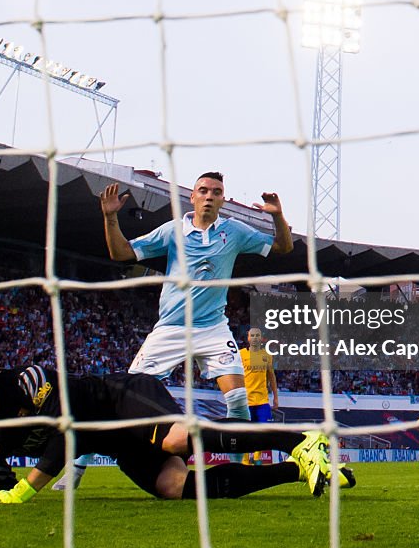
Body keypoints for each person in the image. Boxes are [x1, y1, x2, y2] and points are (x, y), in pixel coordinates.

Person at [0, 339, 354, 504]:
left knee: (175, 441)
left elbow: (67, 435)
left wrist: (26, 488)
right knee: (172, 488)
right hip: (114, 443)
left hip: (122, 399)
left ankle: (300, 438)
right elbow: (0, 488)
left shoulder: (28, 381)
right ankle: (296, 470)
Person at [99, 173, 292, 422]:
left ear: (223, 200)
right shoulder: (173, 231)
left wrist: (277, 216)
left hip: (213, 328)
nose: (209, 196)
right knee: (129, 394)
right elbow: (120, 253)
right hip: (171, 328)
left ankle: (230, 461)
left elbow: (283, 247)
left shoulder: (233, 231)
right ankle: (82, 459)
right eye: (203, 190)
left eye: (216, 192)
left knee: (237, 401)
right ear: (192, 197)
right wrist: (110, 216)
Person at [239, 327, 279, 465]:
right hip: (246, 401)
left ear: (261, 339)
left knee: (264, 430)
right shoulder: (241, 354)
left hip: (262, 401)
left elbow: (271, 377)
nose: (255, 338)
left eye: (258, 335)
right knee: (244, 432)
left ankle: (257, 459)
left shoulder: (267, 355)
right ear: (248, 338)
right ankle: (245, 461)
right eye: (252, 335)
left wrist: (276, 397)